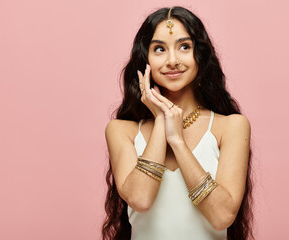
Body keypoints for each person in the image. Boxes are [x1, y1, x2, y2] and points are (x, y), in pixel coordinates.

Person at [102, 6, 254, 240]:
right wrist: (162, 119)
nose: (173, 61)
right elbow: (141, 200)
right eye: (159, 49)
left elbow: (222, 216)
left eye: (184, 47)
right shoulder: (123, 131)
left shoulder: (231, 127)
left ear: (200, 56)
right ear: (145, 60)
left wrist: (177, 141)